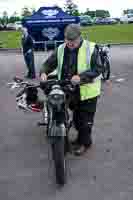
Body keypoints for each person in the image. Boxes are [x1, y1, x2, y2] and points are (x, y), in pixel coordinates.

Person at [40, 24, 103, 156]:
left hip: (87, 91)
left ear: (80, 37)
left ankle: (85, 144)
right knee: (75, 118)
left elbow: (98, 69)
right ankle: (78, 138)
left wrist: (81, 77)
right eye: (67, 40)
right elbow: (48, 63)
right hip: (68, 89)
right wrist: (44, 72)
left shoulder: (91, 48)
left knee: (85, 121)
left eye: (73, 40)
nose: (70, 43)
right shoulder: (61, 49)